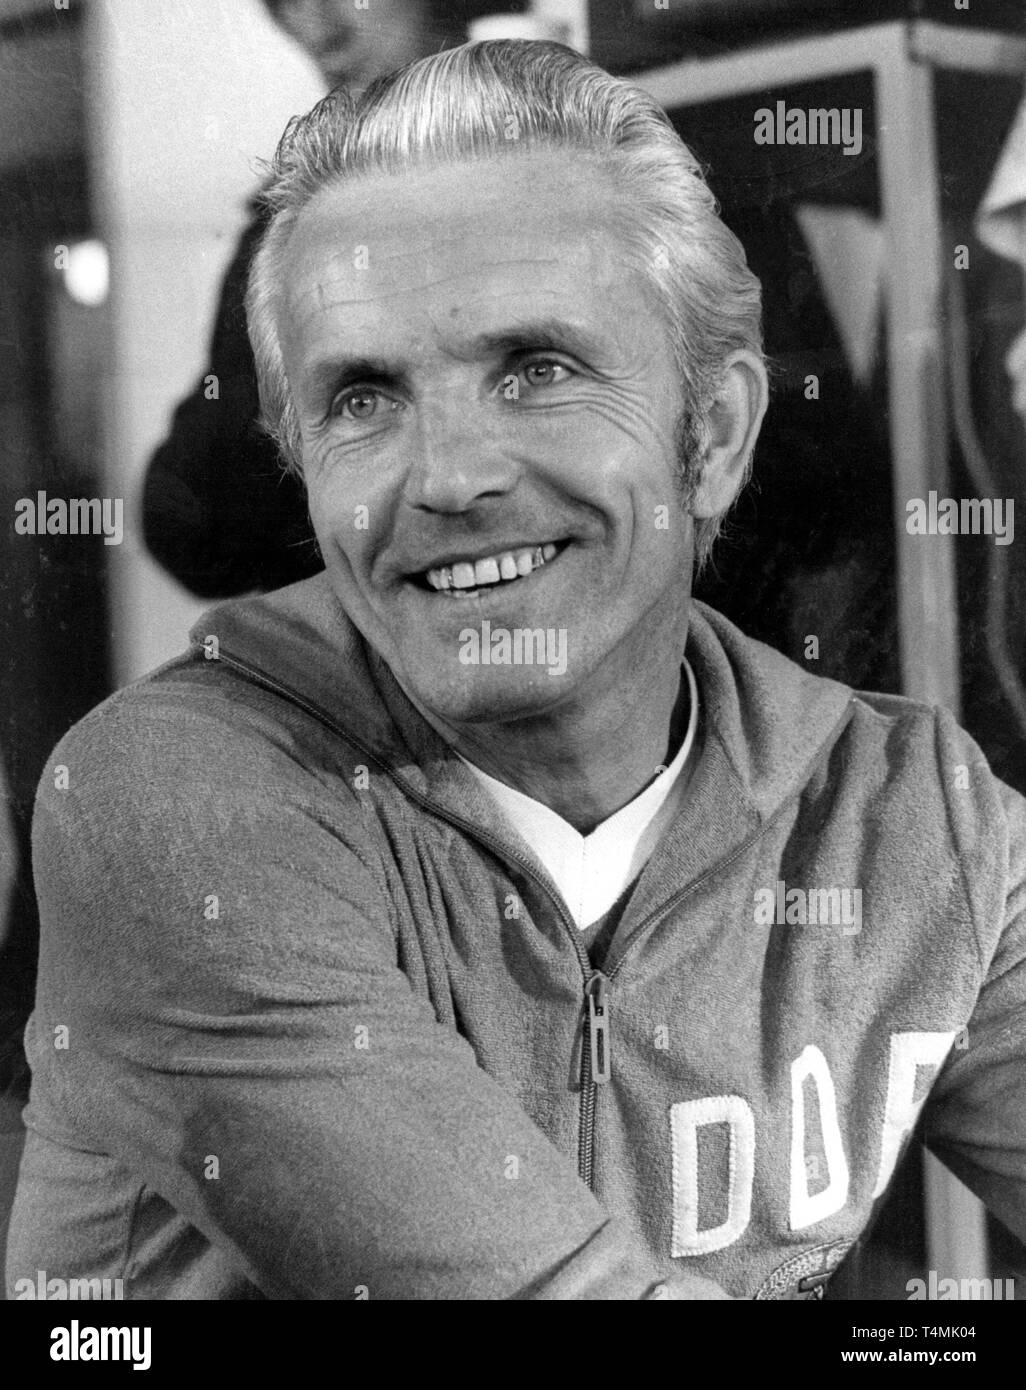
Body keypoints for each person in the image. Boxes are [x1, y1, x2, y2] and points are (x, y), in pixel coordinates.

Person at [7, 40, 1026, 1302]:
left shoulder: (909, 810)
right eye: (365, 399)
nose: (445, 476)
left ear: (711, 438)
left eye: (535, 370)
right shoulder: (166, 802)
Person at [142, 0, 515, 597]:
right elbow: (188, 525)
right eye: (286, 0)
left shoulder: (556, 157)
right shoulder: (286, 224)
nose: (320, 19)